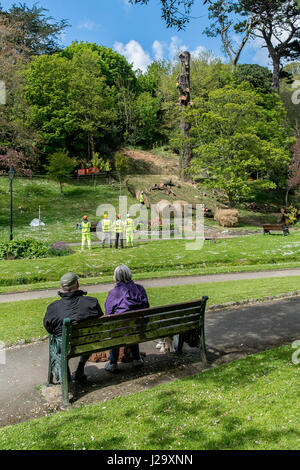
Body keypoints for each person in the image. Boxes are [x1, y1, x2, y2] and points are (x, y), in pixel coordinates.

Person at [43, 272, 103, 382]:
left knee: (58, 341)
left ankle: (65, 372)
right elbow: (100, 323)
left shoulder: (53, 308)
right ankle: (80, 367)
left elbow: (48, 328)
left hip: (65, 347)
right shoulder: (92, 302)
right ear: (78, 284)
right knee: (87, 337)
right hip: (88, 342)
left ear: (61, 288)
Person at [104, 265, 149, 372]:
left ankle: (112, 362)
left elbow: (108, 315)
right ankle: (137, 359)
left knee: (116, 328)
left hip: (120, 331)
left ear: (116, 277)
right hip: (139, 328)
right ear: (129, 274)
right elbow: (147, 307)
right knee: (133, 325)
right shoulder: (140, 289)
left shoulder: (113, 293)